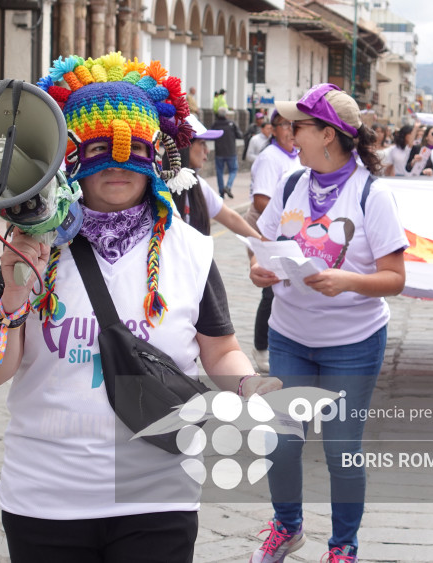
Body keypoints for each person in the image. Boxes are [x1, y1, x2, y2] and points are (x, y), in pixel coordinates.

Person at [0, 52, 281, 563]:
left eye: (131, 150)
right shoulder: (33, 246)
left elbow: (220, 349)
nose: (117, 164)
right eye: (99, 149)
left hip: (157, 495)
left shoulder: (187, 247)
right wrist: (12, 291)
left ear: (155, 155)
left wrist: (248, 385)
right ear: (70, 158)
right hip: (45, 497)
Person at [248, 83, 408, 563]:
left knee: (342, 452)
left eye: (299, 125)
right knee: (279, 443)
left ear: (328, 135)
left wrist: (348, 281)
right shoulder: (292, 183)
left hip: (352, 343)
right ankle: (287, 527)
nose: (289, 133)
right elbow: (266, 244)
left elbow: (396, 278)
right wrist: (259, 271)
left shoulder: (372, 196)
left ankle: (343, 546)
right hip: (290, 334)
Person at [244, 110, 302, 373]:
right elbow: (261, 200)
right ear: (273, 129)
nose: (291, 130)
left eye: (295, 125)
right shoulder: (270, 158)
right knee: (271, 288)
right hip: (268, 226)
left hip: (288, 227)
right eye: (285, 125)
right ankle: (261, 347)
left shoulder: (295, 156)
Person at [172, 114, 261, 239]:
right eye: (202, 143)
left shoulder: (199, 185)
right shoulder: (158, 185)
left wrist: (262, 243)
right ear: (185, 145)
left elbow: (230, 218)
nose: (207, 150)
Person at [210, 106, 243, 198]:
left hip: (219, 152)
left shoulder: (215, 124)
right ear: (226, 114)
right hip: (231, 151)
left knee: (219, 171)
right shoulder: (231, 124)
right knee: (234, 169)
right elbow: (239, 135)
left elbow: (210, 135)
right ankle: (228, 186)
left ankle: (221, 192)